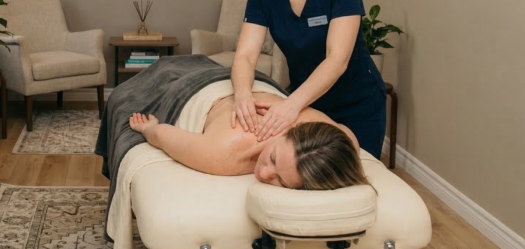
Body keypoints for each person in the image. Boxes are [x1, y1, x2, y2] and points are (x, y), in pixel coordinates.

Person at [231, 0, 387, 160]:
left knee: (355, 174)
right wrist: (243, 95)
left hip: (357, 104)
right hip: (309, 104)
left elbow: (337, 59)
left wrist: (291, 105)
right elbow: (245, 55)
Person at [127, 90, 368, 190]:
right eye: (273, 158)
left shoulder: (335, 140)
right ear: (285, 132)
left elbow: (347, 137)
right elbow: (162, 135)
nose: (264, 173)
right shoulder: (224, 151)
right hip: (204, 89)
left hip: (267, 88)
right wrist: (149, 127)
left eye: (282, 181)